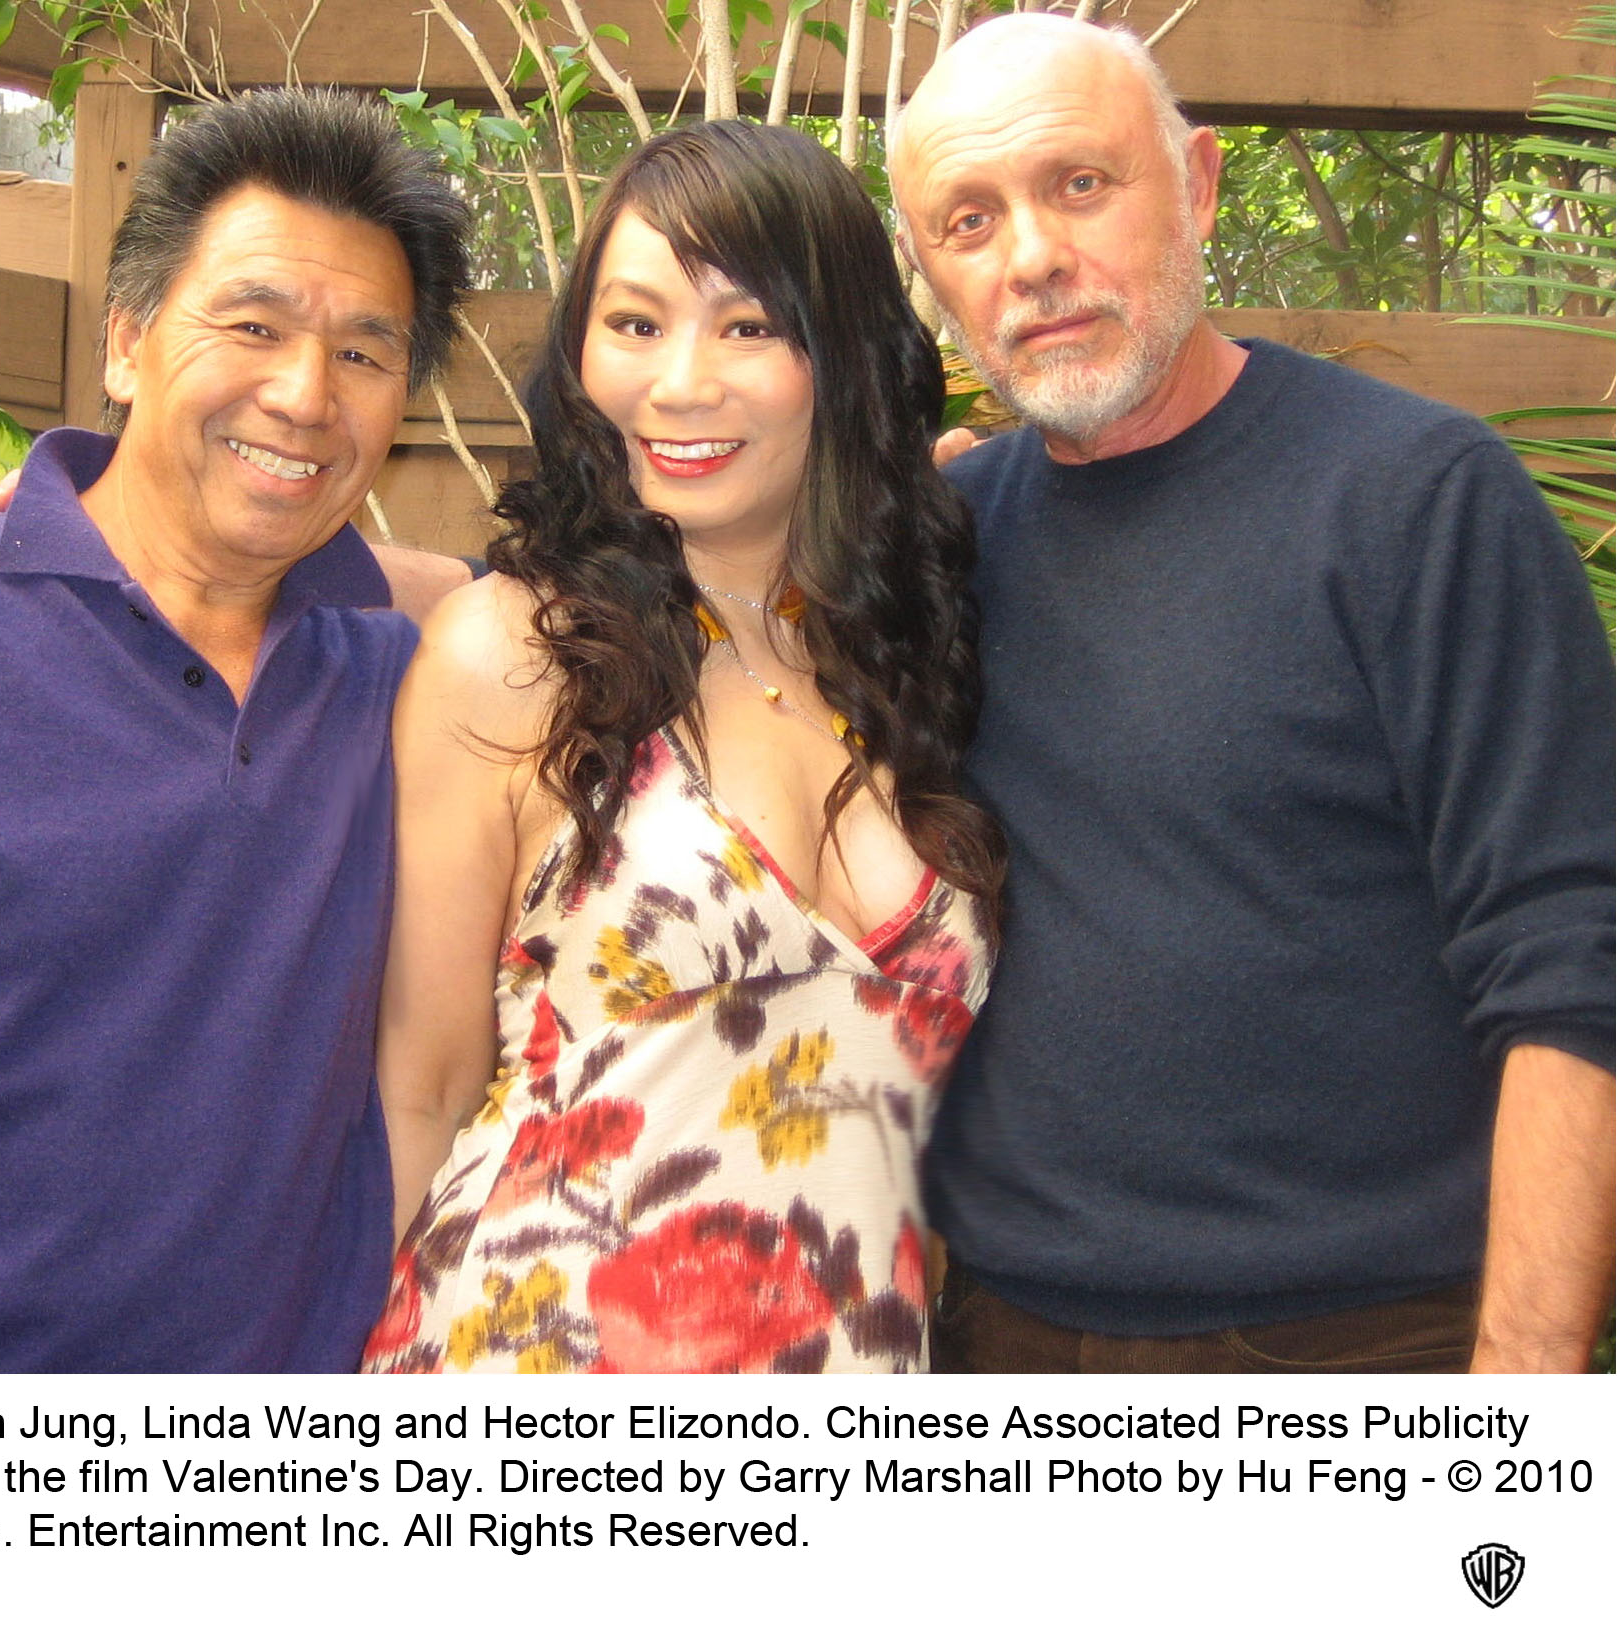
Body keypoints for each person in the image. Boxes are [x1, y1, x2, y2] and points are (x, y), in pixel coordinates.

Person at [889, 13, 1615, 1374]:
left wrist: (1522, 1408)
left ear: (1201, 185)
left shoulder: (1417, 501)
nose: (1034, 257)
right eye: (969, 221)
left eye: (1079, 185)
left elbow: (1576, 962)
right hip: (1007, 1351)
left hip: (1369, 1347)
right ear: (930, 269)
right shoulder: (944, 543)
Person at [0, 88, 471, 1371]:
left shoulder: (407, 690)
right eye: (252, 323)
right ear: (127, 342)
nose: (305, 393)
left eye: (364, 352)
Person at [361, 121, 1002, 1374]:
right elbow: (419, 1089)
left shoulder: (907, 653)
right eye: (637, 322)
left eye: (748, 326)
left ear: (842, 356)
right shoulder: (512, 654)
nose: (681, 381)